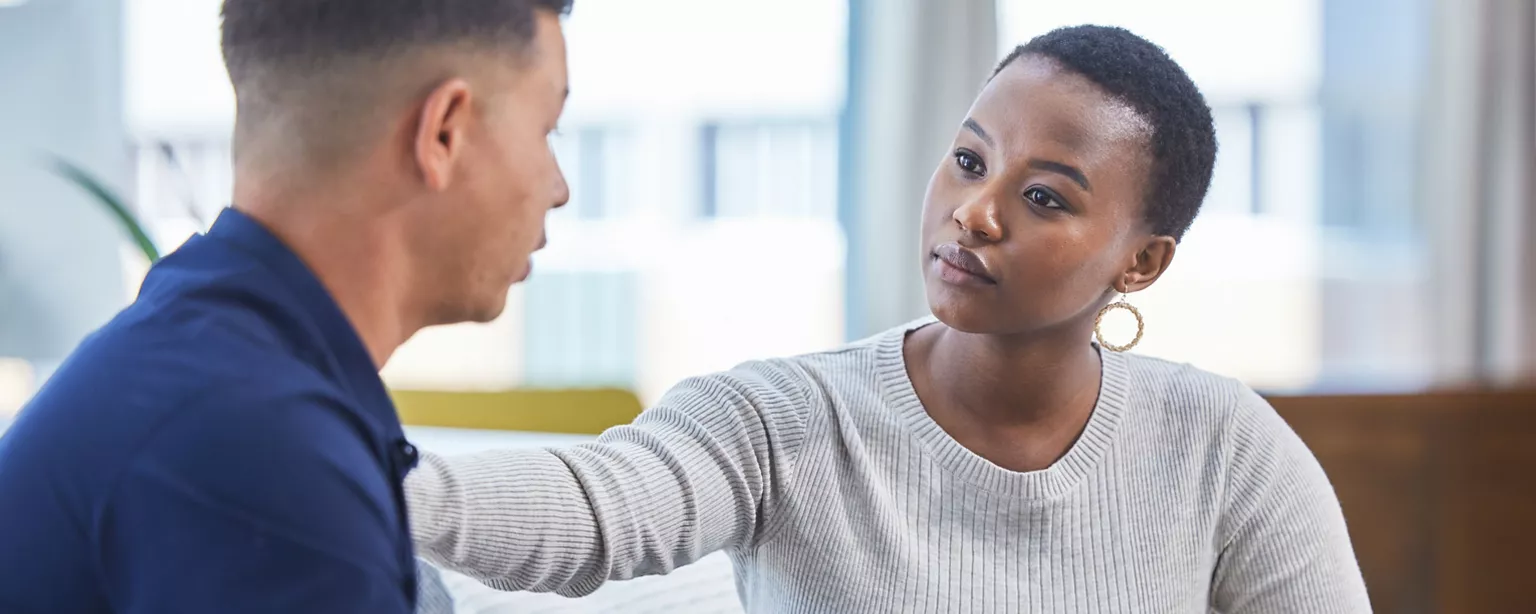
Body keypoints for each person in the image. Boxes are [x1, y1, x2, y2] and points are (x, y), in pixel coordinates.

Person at [407, 25, 1372, 613]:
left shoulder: (1228, 450)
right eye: (967, 159)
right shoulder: (784, 420)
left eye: (1045, 198)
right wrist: (349, 468)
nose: (976, 212)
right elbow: (597, 509)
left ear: (1142, 263)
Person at [0, 0, 572, 611]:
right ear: (442, 133)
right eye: (546, 130)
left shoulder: (200, 355)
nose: (559, 188)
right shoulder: (263, 456)